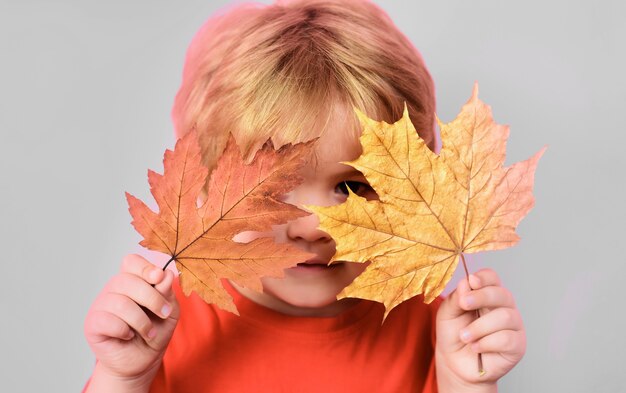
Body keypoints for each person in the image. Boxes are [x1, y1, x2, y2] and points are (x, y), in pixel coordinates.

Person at [83, 0, 526, 391]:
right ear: (203, 186)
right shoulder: (158, 330)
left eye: (353, 186)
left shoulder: (440, 336)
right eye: (274, 191)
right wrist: (122, 378)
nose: (314, 225)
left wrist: (467, 384)